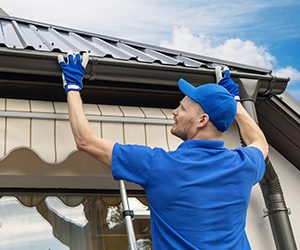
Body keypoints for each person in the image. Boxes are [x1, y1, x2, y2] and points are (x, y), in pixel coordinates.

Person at [57, 52, 268, 250]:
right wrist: (235, 103)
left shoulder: (159, 166)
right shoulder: (243, 165)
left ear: (202, 120)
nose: (175, 112)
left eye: (183, 108)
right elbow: (260, 142)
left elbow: (85, 141)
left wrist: (73, 87)